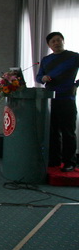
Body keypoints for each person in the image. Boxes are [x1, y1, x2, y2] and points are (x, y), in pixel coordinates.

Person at [36, 31, 79, 172]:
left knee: (68, 132)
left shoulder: (74, 56)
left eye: (58, 40)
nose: (56, 43)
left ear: (63, 41)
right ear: (49, 45)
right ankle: (54, 159)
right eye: (53, 41)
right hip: (50, 100)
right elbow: (38, 77)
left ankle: (70, 162)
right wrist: (43, 79)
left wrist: (76, 84)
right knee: (52, 132)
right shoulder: (46, 60)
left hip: (67, 99)